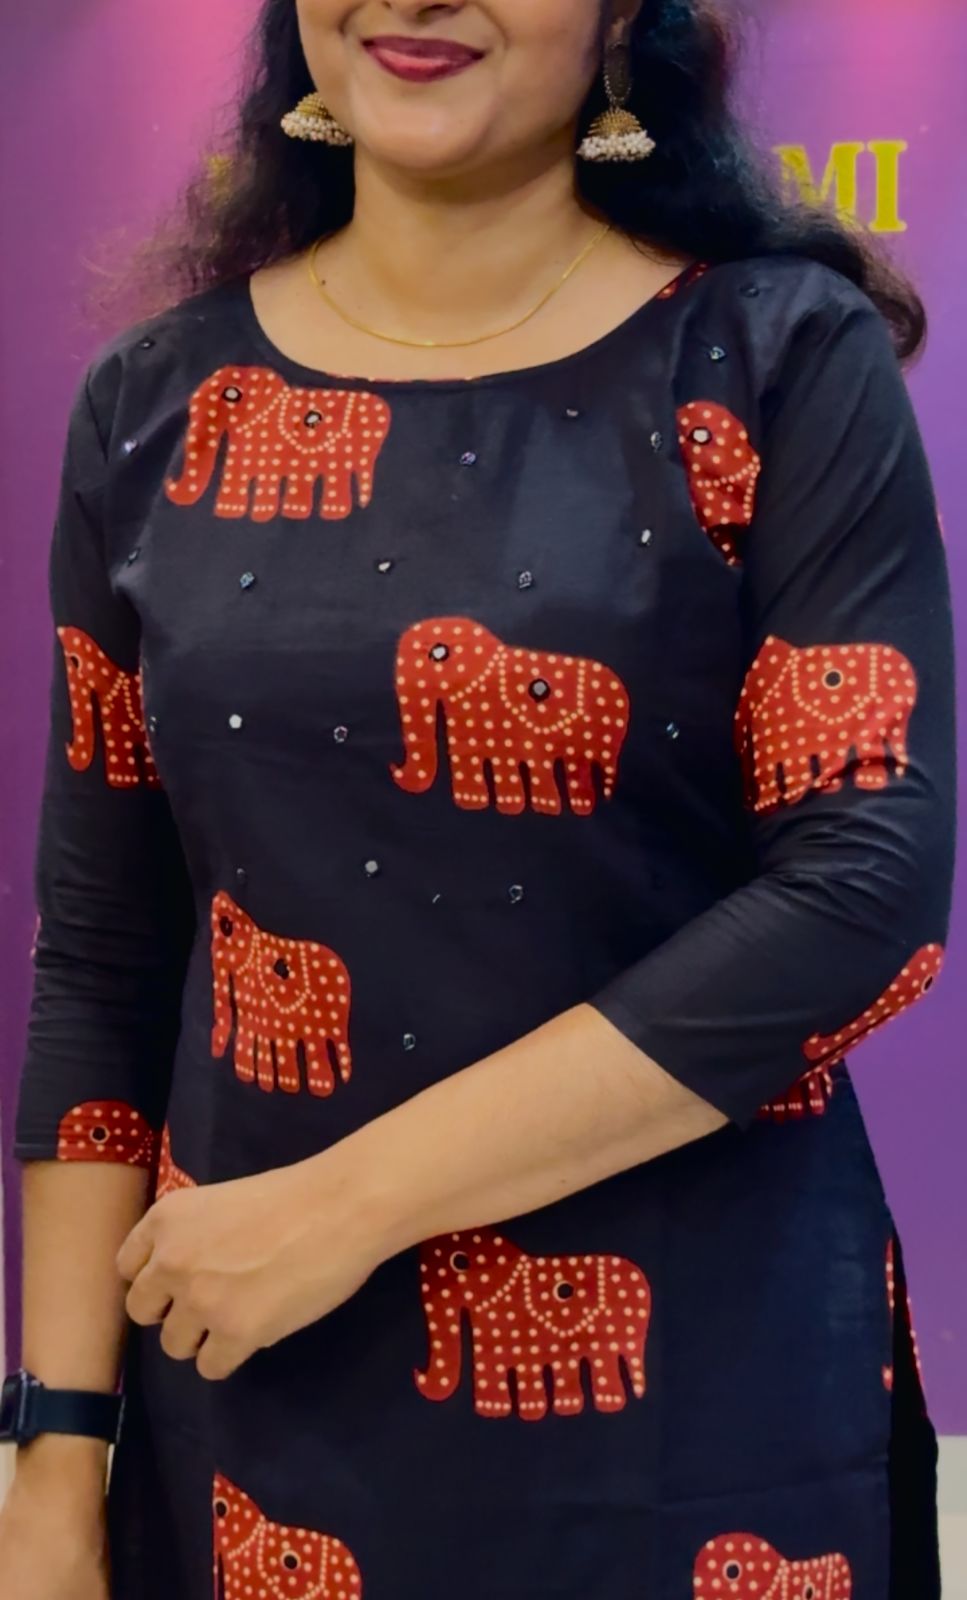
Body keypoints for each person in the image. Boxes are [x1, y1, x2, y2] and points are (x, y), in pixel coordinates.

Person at [0, 1, 956, 1595]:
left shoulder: (775, 358)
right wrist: (52, 1458)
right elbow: (103, 960)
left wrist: (346, 1208)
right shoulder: (152, 405)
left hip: (702, 1415)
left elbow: (862, 893)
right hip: (254, 1408)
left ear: (623, 13)